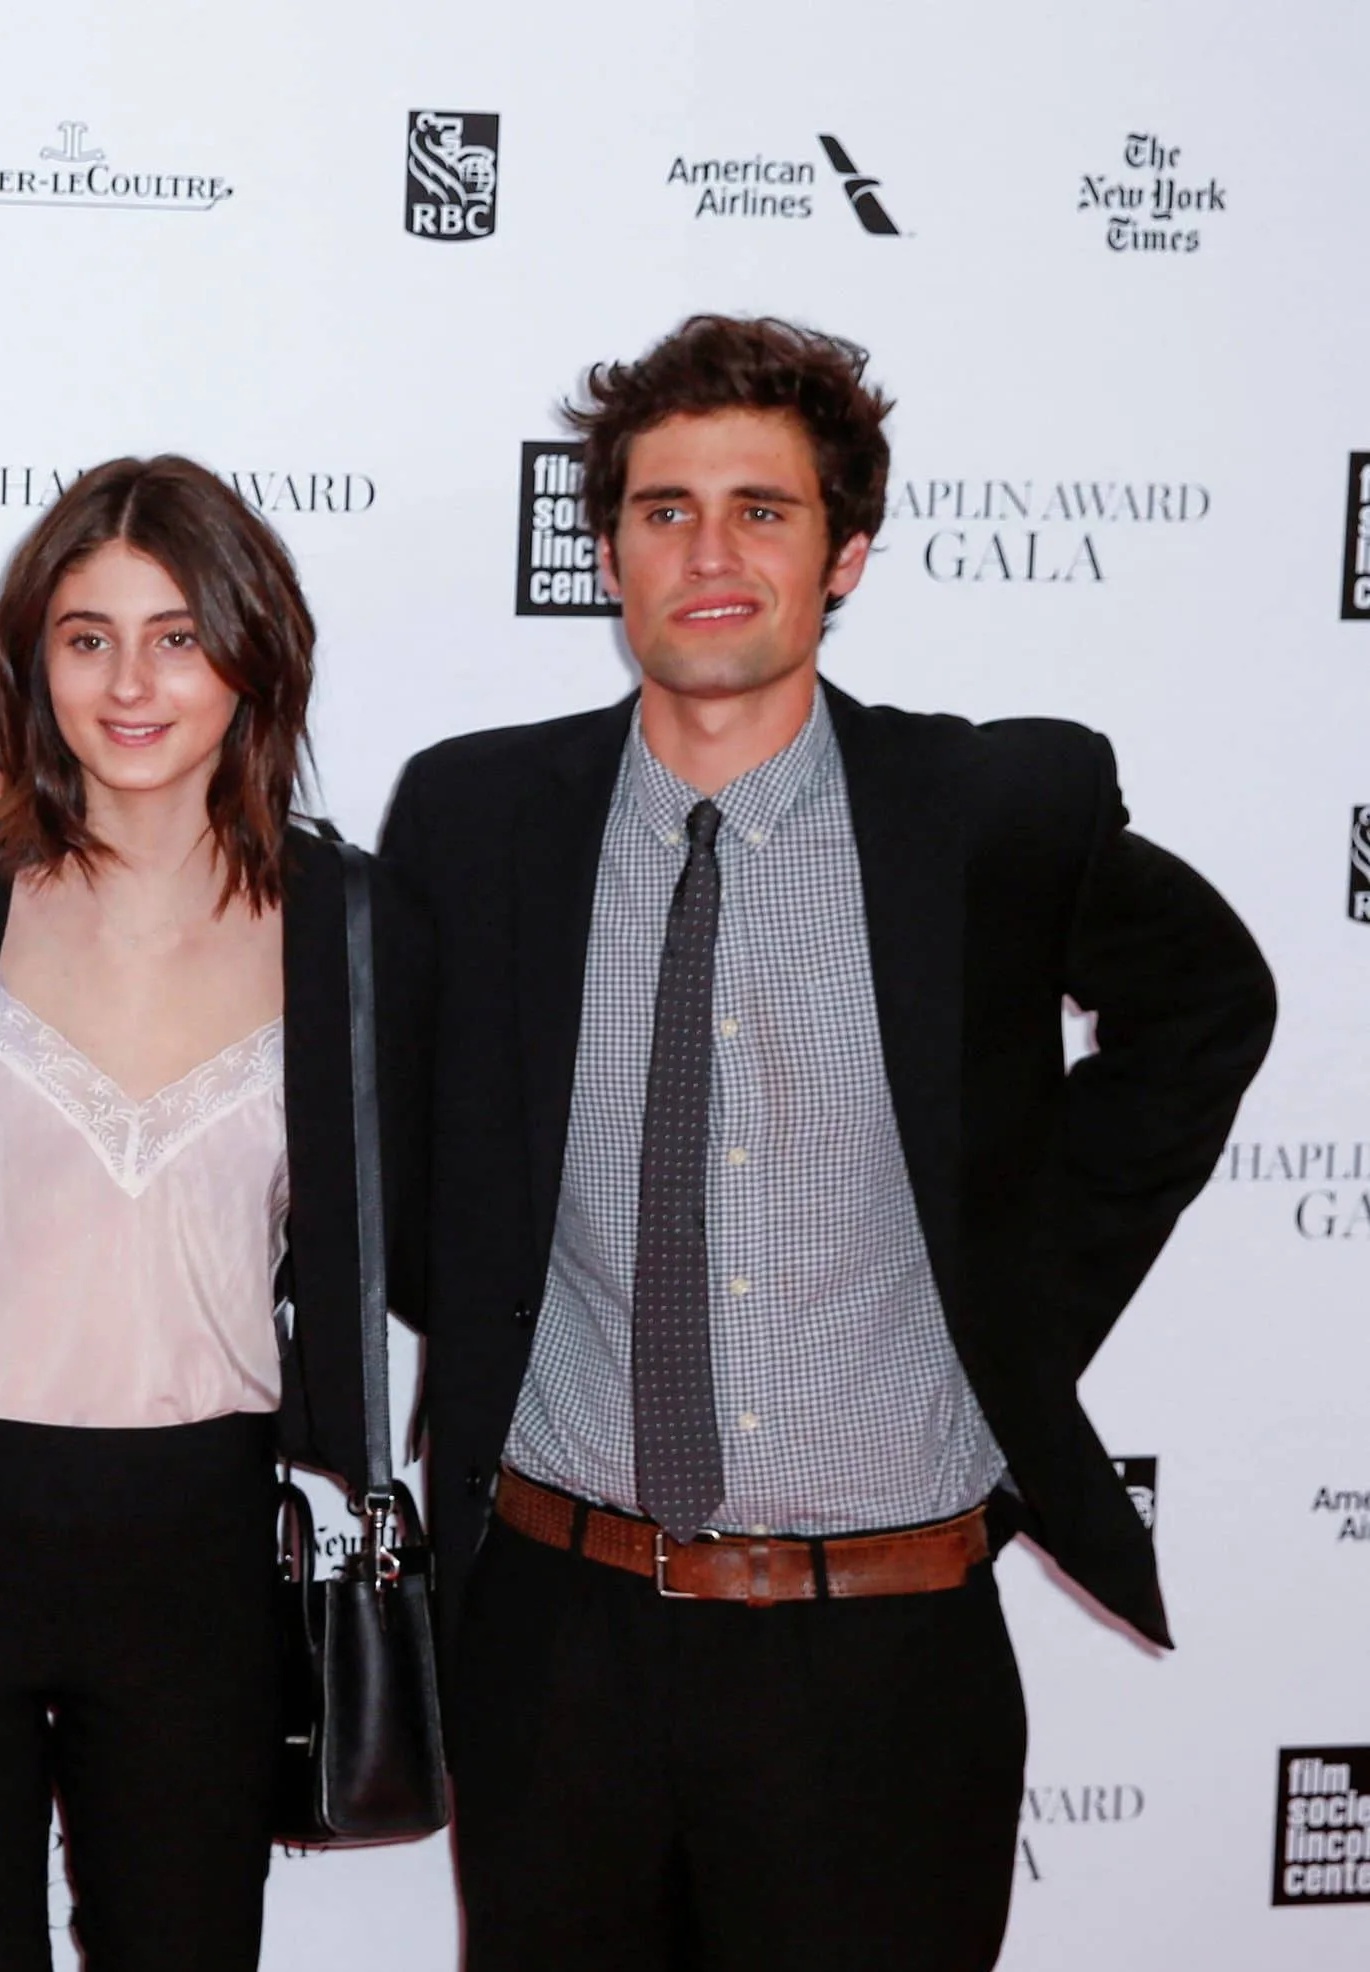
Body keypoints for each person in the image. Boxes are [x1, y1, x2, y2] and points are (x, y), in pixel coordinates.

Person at [380, 315, 1276, 1970]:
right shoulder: (476, 819)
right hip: (556, 1644)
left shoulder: (986, 814)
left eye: (762, 510)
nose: (708, 552)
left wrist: (1006, 1286)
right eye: (663, 510)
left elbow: (1210, 1011)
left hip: (883, 1662)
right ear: (606, 554)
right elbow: (411, 1165)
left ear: (846, 551)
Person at [0, 456, 429, 1971]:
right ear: (33, 663)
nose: (131, 682)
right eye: (86, 635)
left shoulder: (354, 927)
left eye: (177, 635)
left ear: (254, 650)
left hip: (196, 1534)